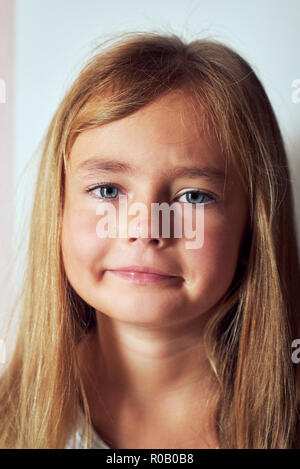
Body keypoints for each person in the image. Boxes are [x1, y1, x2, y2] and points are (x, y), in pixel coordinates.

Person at [0, 31, 299, 449]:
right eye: (107, 191)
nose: (145, 229)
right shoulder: (8, 420)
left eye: (193, 196)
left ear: (251, 229)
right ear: (59, 211)